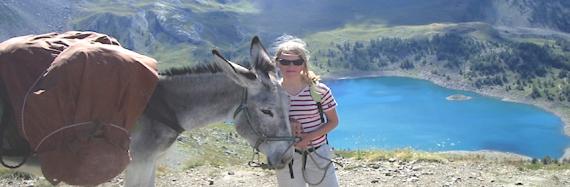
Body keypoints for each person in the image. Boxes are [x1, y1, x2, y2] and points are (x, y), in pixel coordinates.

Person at [273, 35, 340, 187]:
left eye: (297, 62)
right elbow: (265, 123)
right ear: (277, 63)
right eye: (285, 61)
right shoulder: (272, 93)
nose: (291, 66)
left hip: (318, 153)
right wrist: (286, 123)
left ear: (304, 64)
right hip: (286, 155)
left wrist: (308, 138)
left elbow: (333, 121)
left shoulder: (319, 90)